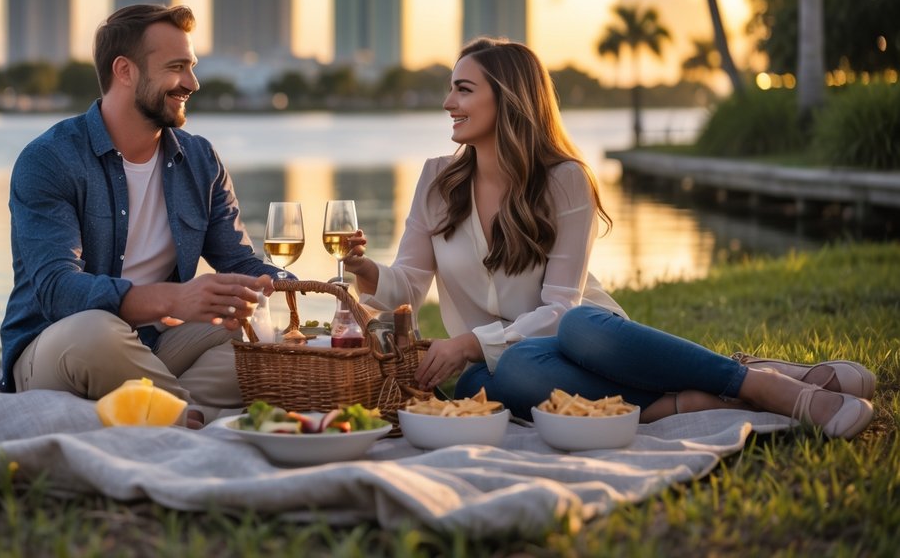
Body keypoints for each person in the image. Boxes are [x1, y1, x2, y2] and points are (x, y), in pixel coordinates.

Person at [342, 37, 875, 439]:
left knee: (573, 327)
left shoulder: (564, 178)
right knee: (500, 380)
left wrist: (467, 342)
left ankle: (764, 386)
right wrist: (370, 274)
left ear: (508, 99)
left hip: (589, 337)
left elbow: (558, 309)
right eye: (450, 88)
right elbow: (408, 288)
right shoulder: (438, 180)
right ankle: (686, 401)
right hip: (515, 362)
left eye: (463, 88)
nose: (447, 102)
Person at [0, 4, 277, 420]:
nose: (192, 83)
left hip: (156, 346)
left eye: (192, 66)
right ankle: (189, 416)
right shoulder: (49, 160)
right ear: (125, 71)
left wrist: (310, 287)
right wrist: (176, 298)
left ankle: (166, 410)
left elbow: (239, 263)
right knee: (96, 330)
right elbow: (58, 290)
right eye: (177, 67)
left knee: (258, 330)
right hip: (60, 346)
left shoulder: (201, 160)